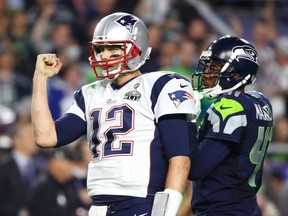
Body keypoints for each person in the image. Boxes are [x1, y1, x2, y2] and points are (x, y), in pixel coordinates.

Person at [31, 12, 199, 216]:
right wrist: (40, 78)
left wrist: (166, 211)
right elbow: (46, 137)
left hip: (143, 204)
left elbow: (180, 159)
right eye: (101, 49)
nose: (105, 56)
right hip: (99, 207)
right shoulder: (91, 93)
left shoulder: (160, 86)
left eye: (114, 49)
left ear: (137, 49)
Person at [188, 35, 273, 215]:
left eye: (215, 67)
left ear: (236, 74)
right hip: (246, 206)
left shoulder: (230, 107)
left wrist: (188, 121)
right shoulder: (260, 102)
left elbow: (196, 168)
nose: (207, 73)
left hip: (222, 209)